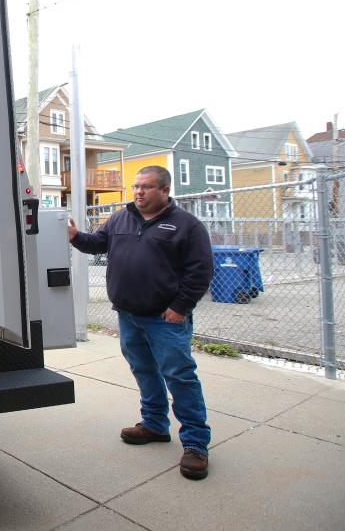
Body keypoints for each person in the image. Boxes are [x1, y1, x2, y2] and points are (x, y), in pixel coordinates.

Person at [67, 165, 214, 480]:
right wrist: (76, 236)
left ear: (164, 190)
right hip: (129, 315)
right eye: (135, 186)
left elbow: (200, 270)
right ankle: (155, 424)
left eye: (146, 187)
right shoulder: (122, 217)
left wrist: (180, 307)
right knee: (144, 371)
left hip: (165, 319)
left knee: (180, 378)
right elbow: (98, 244)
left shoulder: (186, 226)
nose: (138, 192)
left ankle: (196, 445)